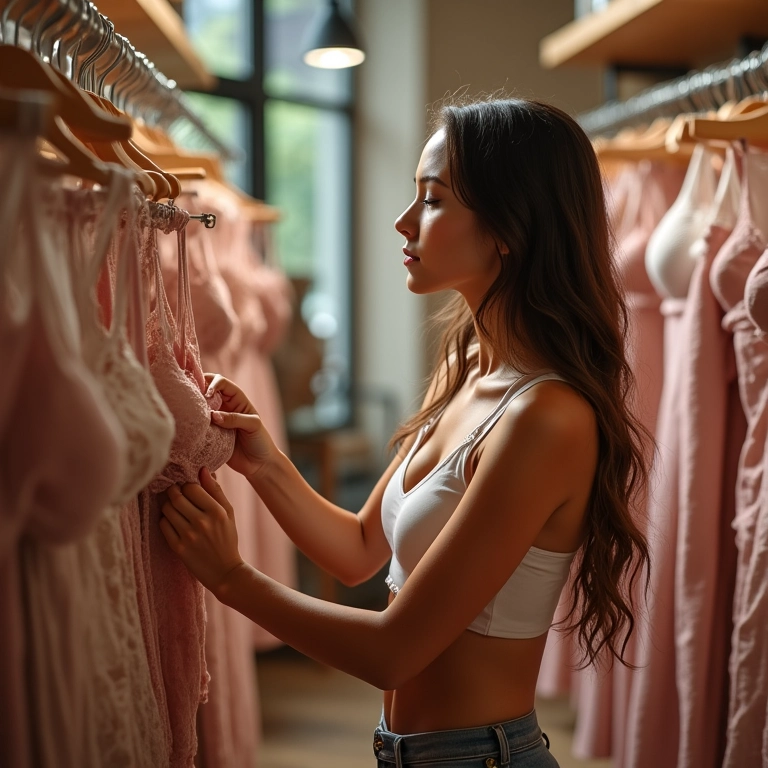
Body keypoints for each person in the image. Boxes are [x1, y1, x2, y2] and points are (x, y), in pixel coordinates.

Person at [159, 97, 651, 767]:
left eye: (433, 199)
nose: (403, 220)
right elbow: (362, 548)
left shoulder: (547, 418)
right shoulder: (467, 367)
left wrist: (232, 579)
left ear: (509, 226)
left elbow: (393, 648)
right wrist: (264, 462)